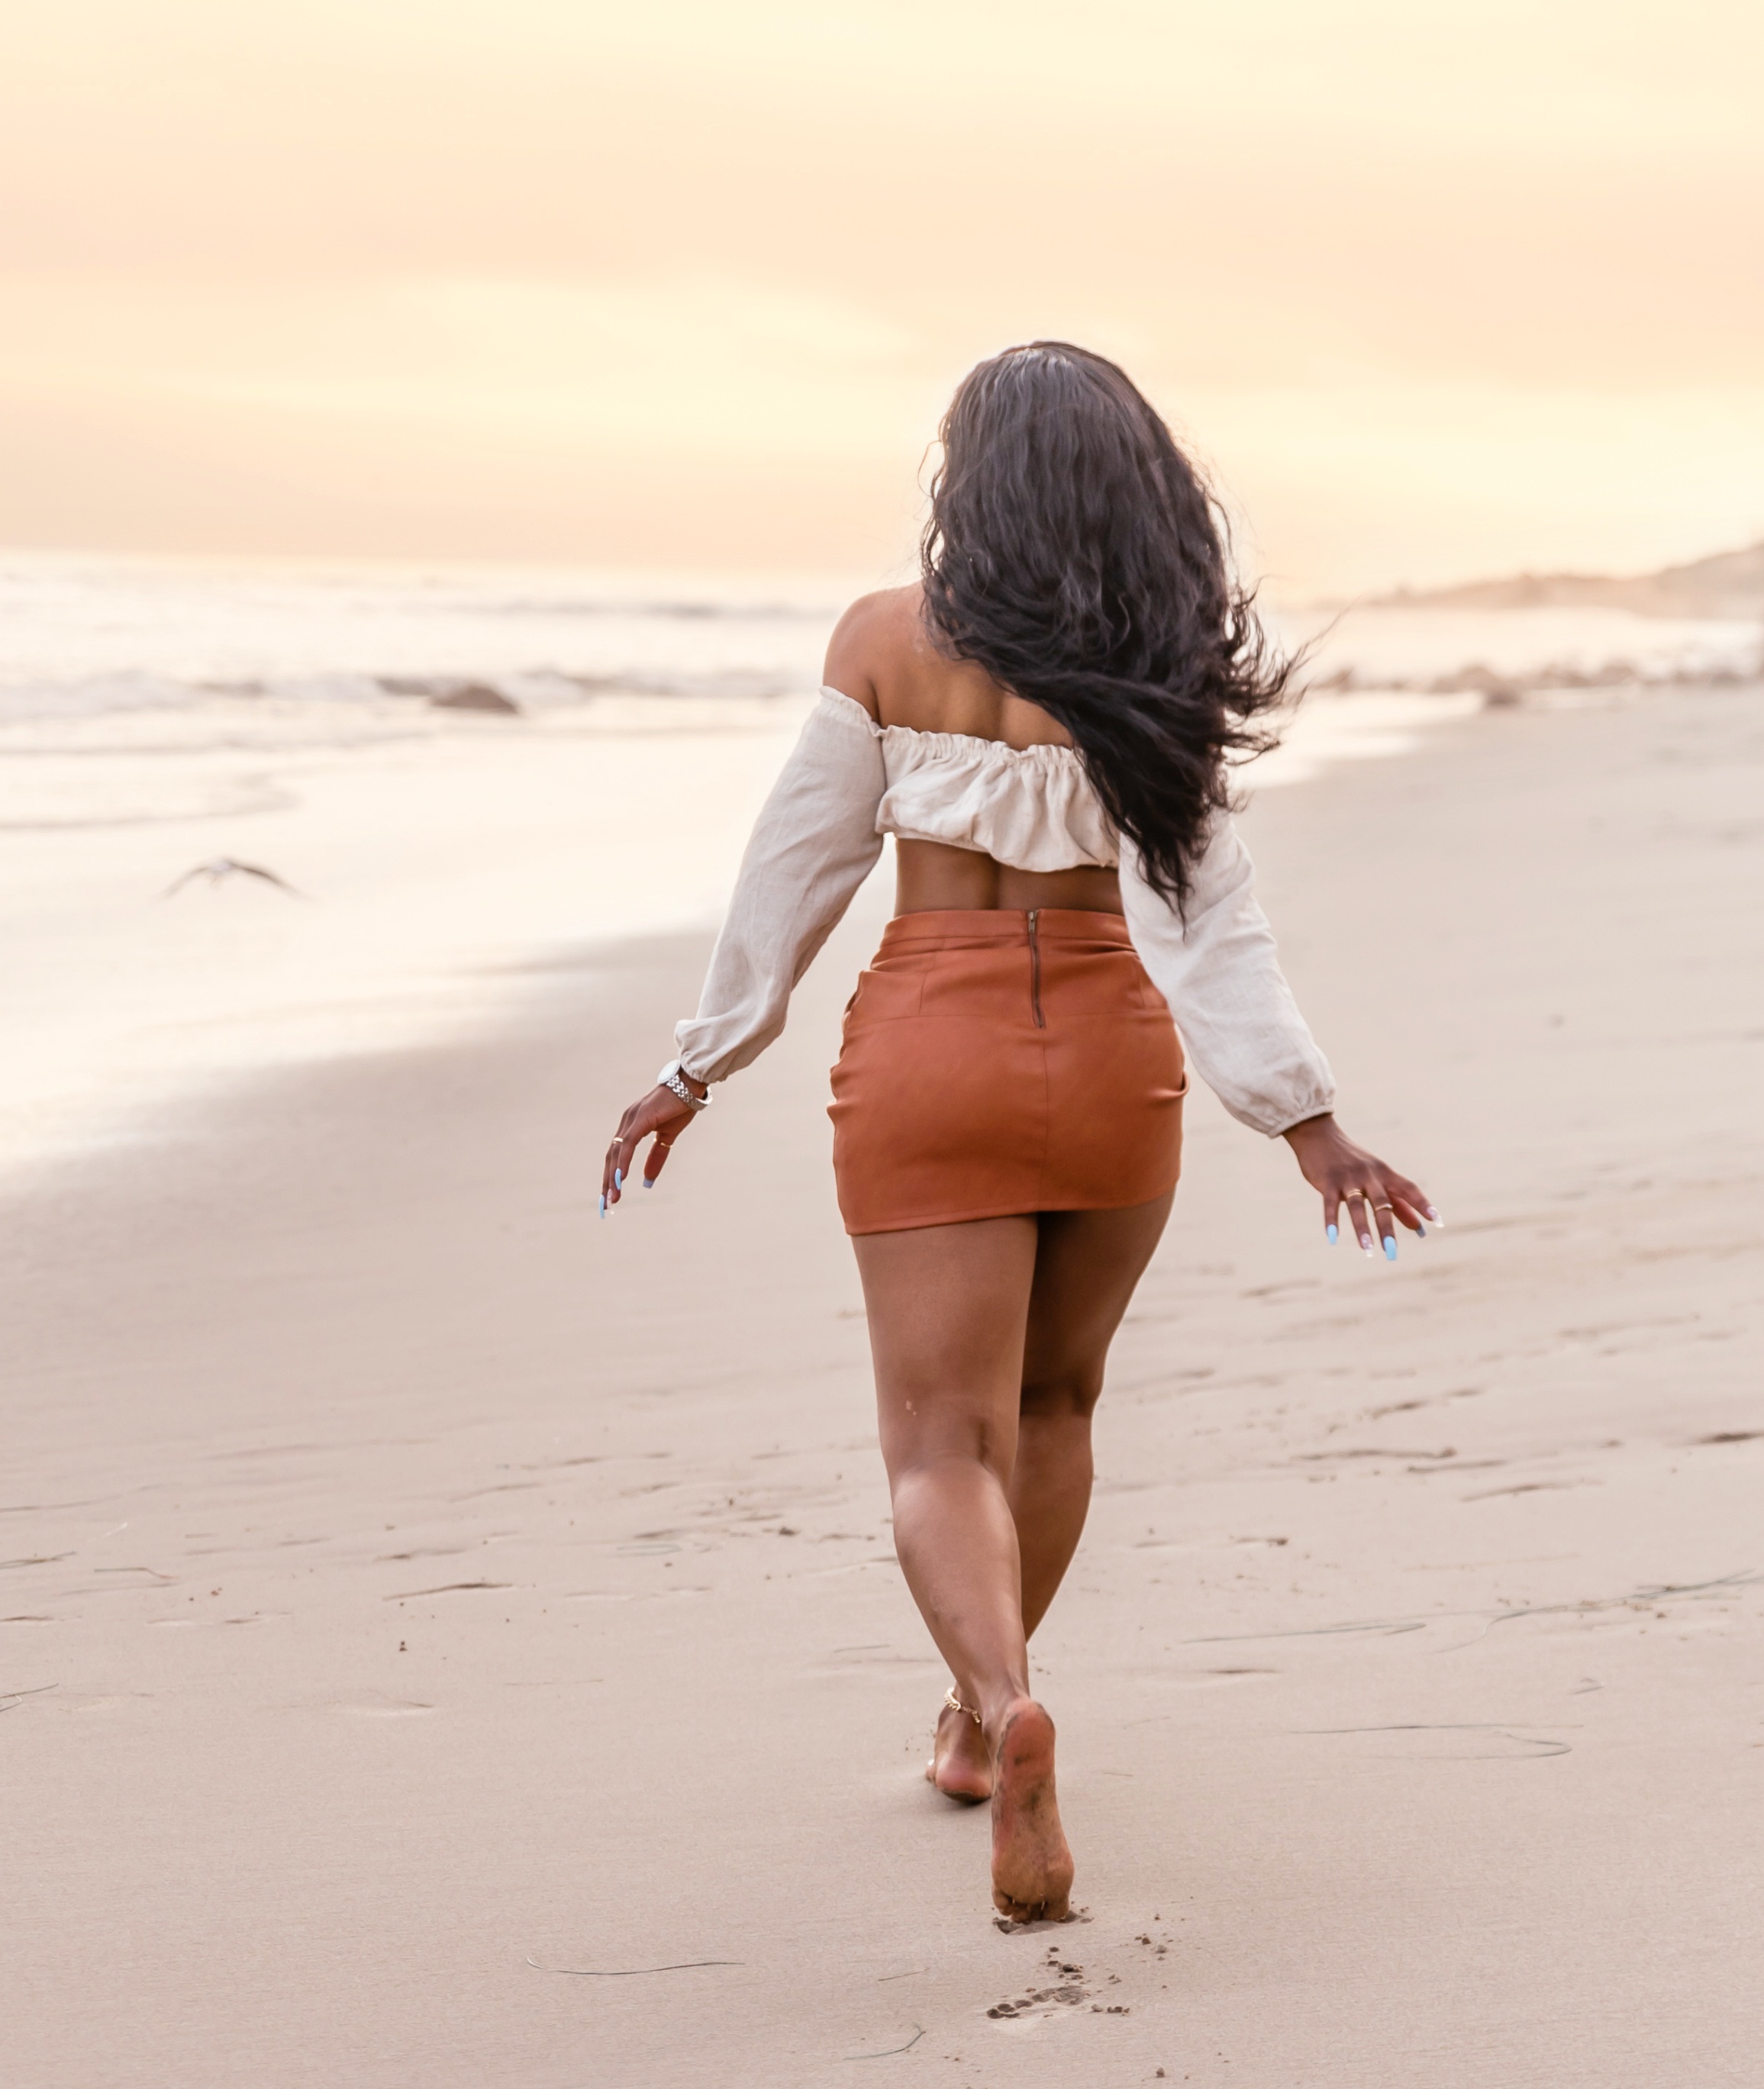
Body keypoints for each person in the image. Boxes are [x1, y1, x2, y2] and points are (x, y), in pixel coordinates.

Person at [596, 343, 1433, 1924]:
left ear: (965, 481)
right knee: (1051, 1403)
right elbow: (1209, 924)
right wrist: (1306, 1124)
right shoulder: (1152, 671)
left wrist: (697, 1065)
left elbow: (794, 870)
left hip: (931, 1045)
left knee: (936, 1442)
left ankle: (1000, 1702)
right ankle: (981, 1727)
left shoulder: (882, 643)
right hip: (1111, 1056)